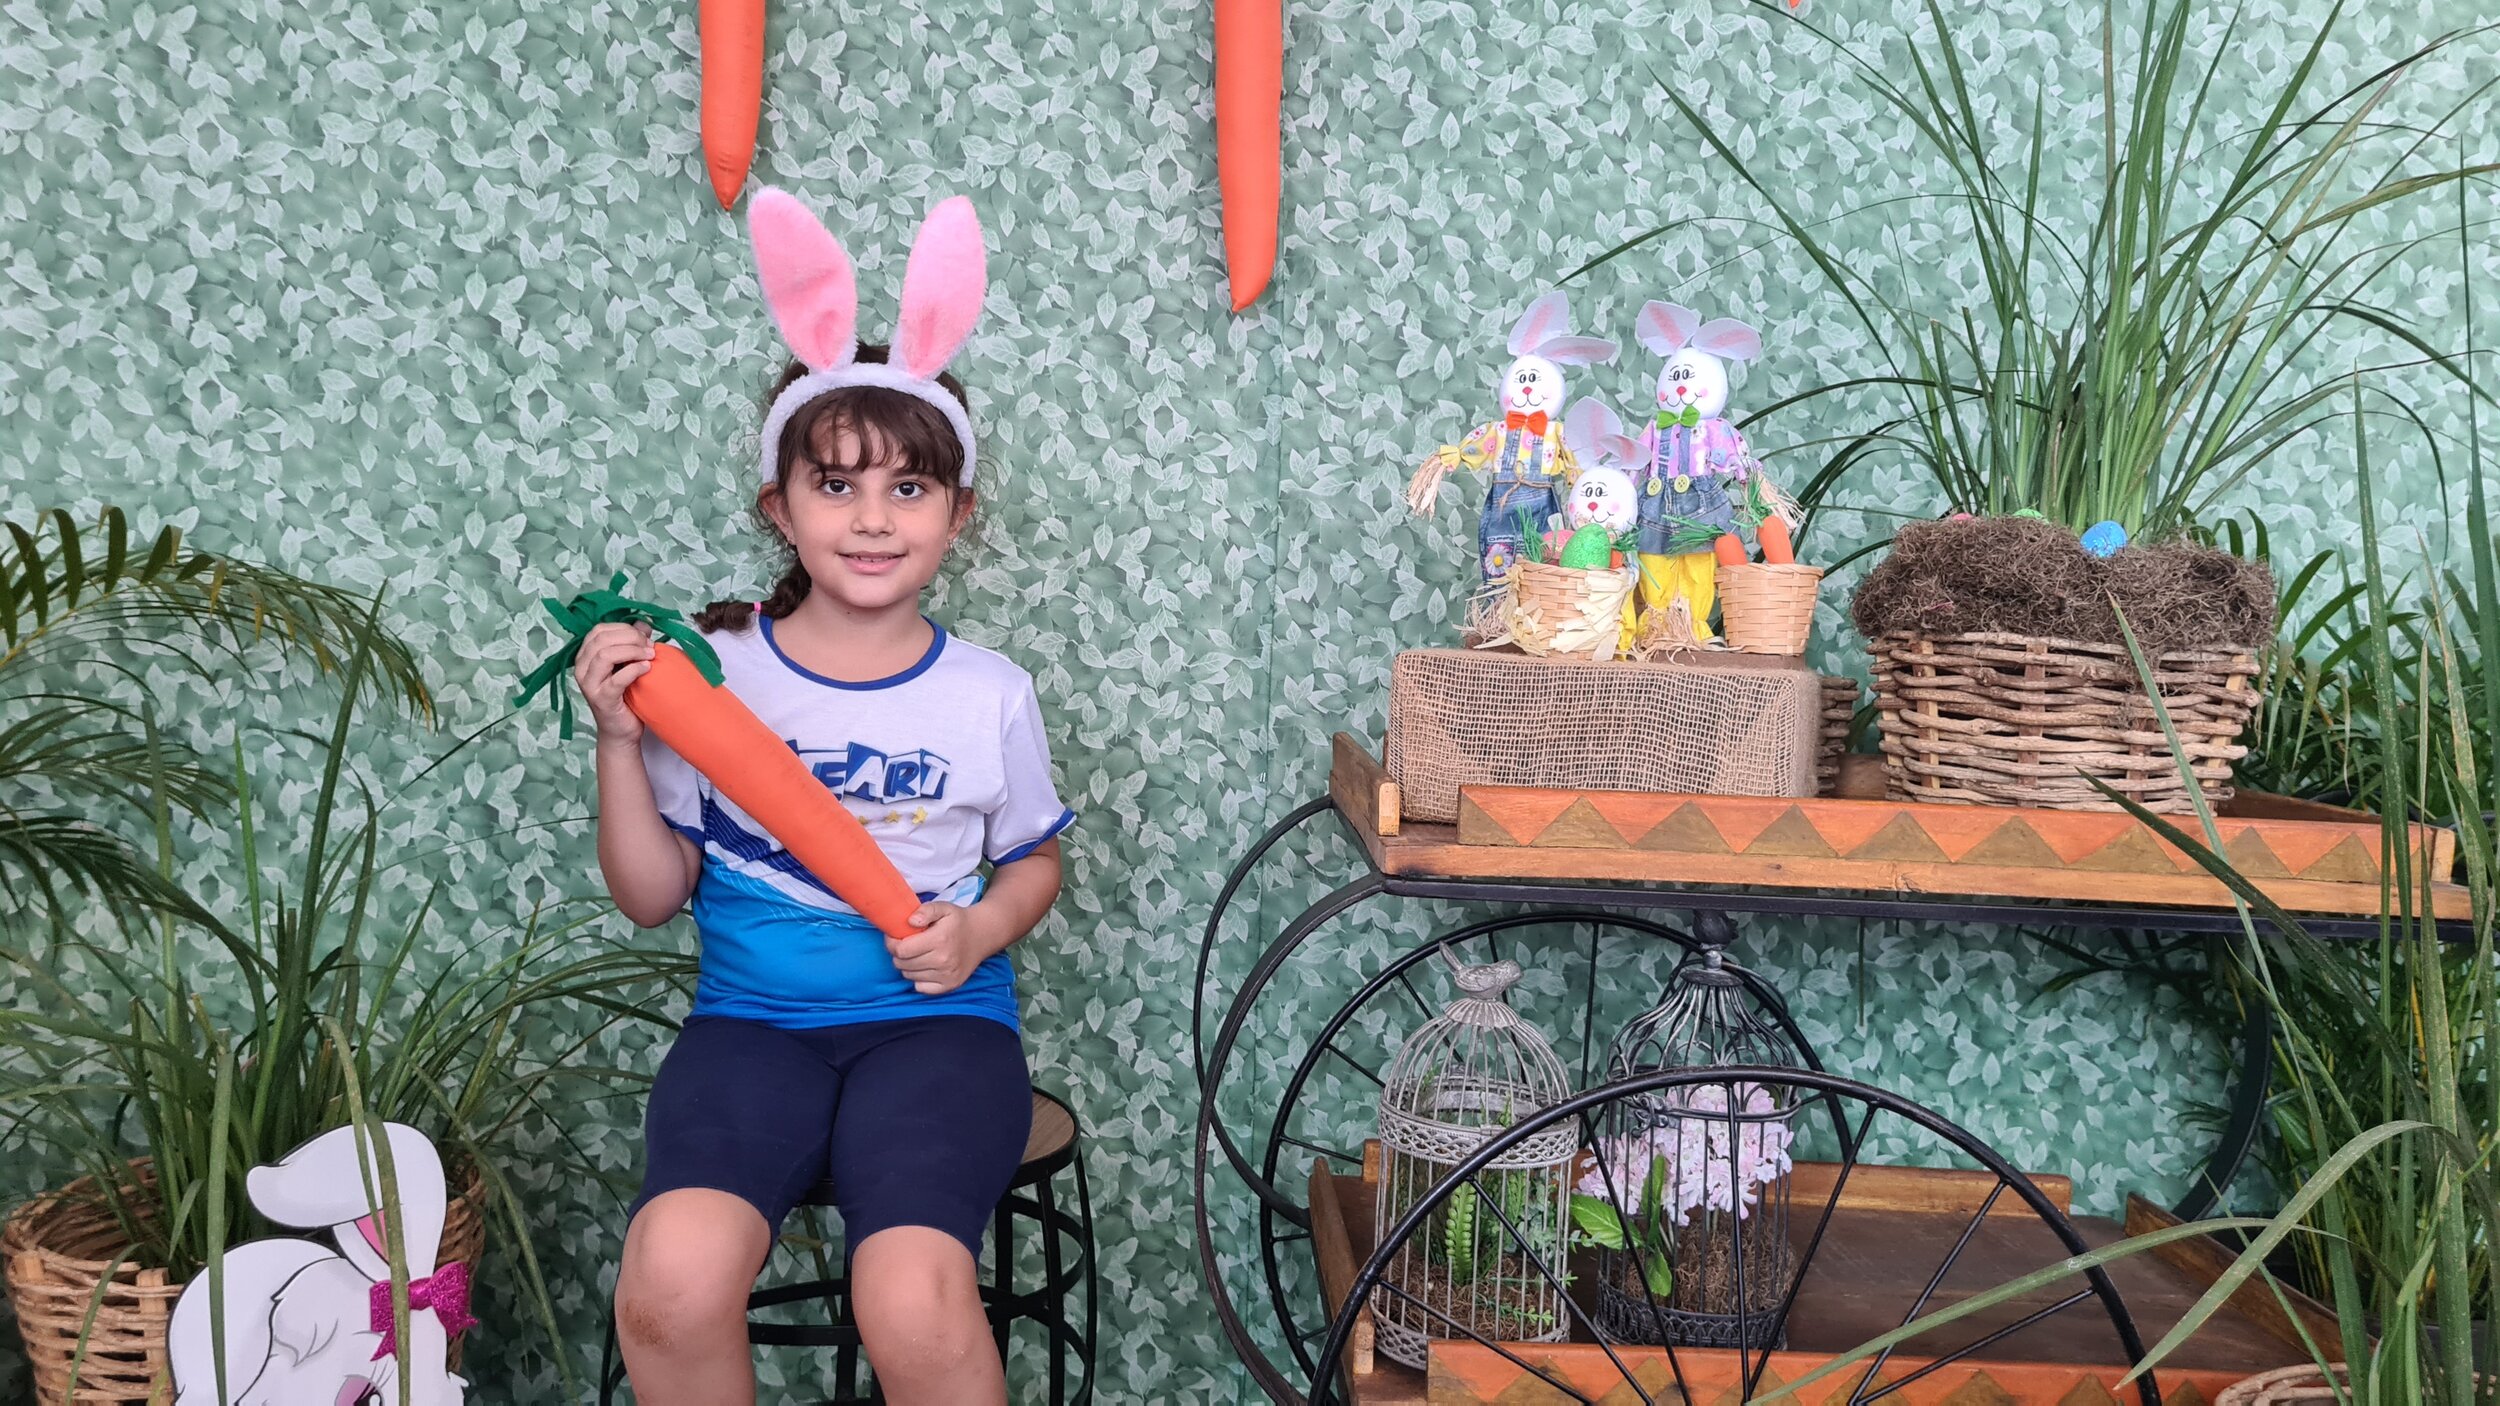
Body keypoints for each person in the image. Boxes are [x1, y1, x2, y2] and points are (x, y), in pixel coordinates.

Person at [570, 188, 1073, 1406]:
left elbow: (1034, 860)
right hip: (751, 1029)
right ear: (779, 506)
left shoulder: (988, 692)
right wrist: (619, 742)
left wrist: (978, 928)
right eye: (836, 485)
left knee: (911, 1298)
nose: (872, 519)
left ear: (959, 513)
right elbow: (650, 896)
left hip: (938, 1034)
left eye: (910, 489)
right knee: (669, 1282)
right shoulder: (710, 674)